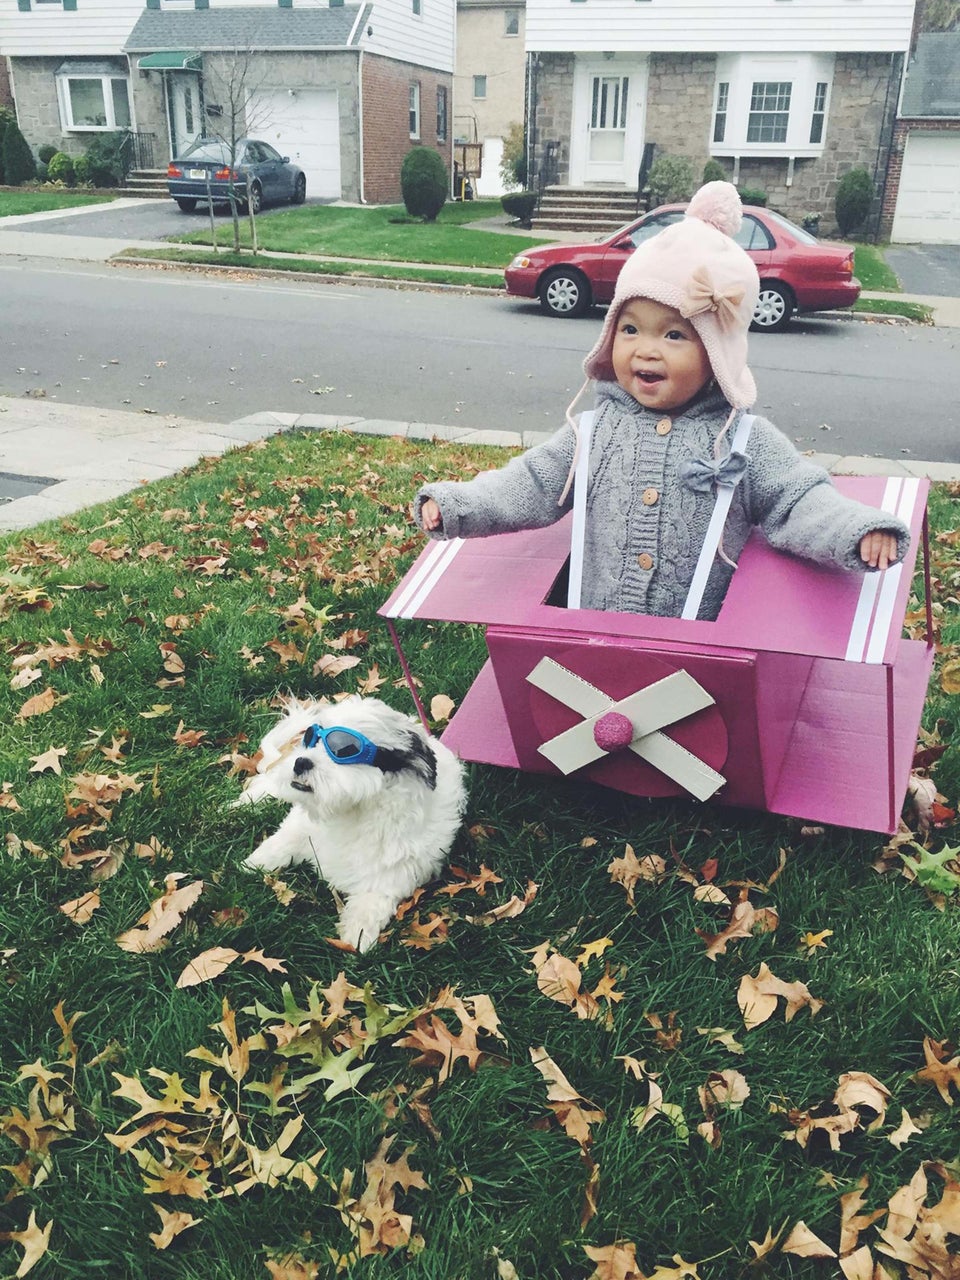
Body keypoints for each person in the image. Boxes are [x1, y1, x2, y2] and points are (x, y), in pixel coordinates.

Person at [413, 182, 909, 621]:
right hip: (594, 632)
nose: (646, 348)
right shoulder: (593, 431)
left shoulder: (742, 441)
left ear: (716, 352)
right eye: (630, 329)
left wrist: (855, 530)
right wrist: (461, 504)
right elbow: (532, 483)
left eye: (674, 335)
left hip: (703, 647)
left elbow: (799, 498)